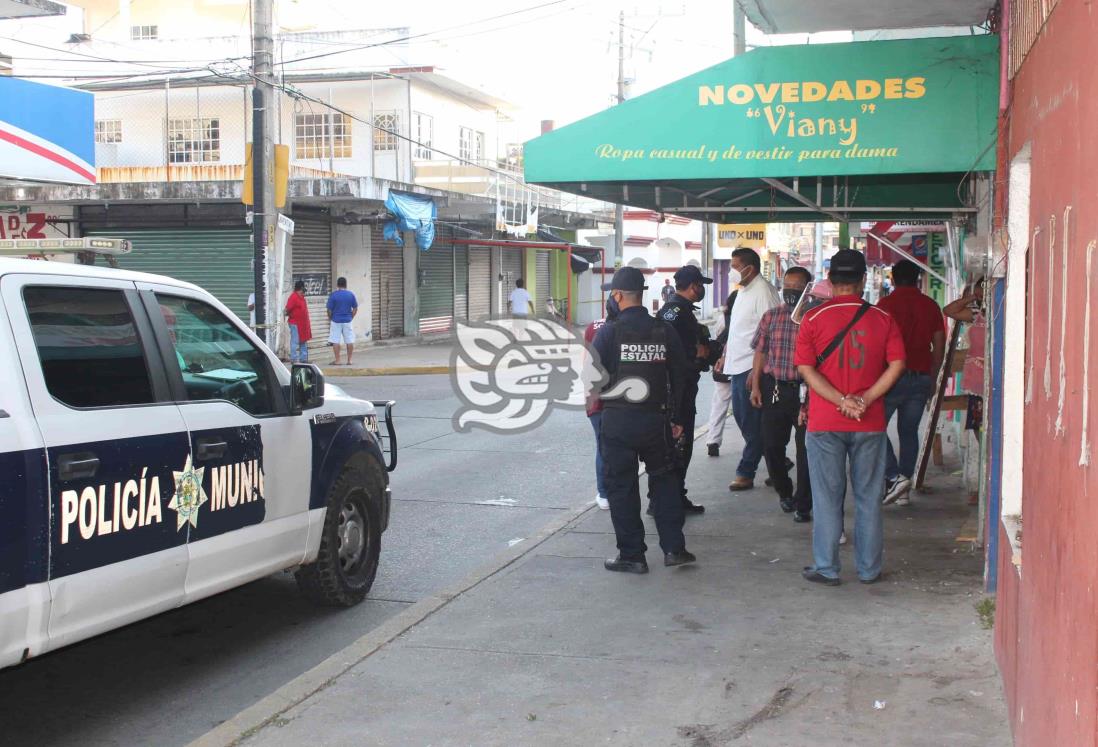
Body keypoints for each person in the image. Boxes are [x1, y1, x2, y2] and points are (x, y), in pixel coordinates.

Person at [794, 249, 906, 586]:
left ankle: (827, 567)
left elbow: (806, 369)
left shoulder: (812, 319)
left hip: (825, 422)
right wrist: (865, 399)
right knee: (869, 497)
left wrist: (841, 401)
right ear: (862, 281)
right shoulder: (883, 319)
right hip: (870, 422)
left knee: (827, 497)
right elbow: (897, 364)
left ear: (830, 281)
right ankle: (869, 569)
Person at [592, 266, 695, 573]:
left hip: (618, 422)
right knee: (664, 483)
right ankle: (674, 549)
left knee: (622, 488)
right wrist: (677, 417)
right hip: (657, 421)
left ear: (618, 295)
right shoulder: (664, 330)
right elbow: (680, 375)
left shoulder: (608, 333)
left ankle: (632, 555)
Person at [876, 260, 946, 505]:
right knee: (908, 432)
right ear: (918, 279)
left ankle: (894, 476)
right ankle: (902, 487)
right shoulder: (930, 305)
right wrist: (934, 377)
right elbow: (939, 346)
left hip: (889, 378)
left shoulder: (885, 305)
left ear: (893, 279)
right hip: (920, 376)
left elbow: (875, 345)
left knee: (874, 429)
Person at [750, 266, 814, 522]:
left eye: (798, 286)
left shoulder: (814, 317)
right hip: (774, 389)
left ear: (807, 290)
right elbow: (760, 353)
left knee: (805, 450)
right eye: (788, 284)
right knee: (772, 446)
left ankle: (803, 504)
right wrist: (755, 385)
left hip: (806, 392)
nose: (791, 290)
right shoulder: (771, 316)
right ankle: (784, 492)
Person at [658, 265, 716, 514]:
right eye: (700, 285)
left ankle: (663, 497)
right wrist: (701, 352)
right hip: (679, 390)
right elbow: (677, 352)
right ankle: (672, 499)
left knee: (672, 446)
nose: (701, 289)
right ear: (693, 286)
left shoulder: (671, 310)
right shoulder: (678, 312)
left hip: (675, 387)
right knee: (679, 446)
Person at [721, 248, 781, 491]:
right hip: (736, 364)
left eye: (735, 266)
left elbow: (772, 334)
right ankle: (777, 461)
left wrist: (758, 373)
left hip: (750, 367)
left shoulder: (764, 292)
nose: (731, 272)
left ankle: (746, 471)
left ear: (750, 268)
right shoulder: (743, 291)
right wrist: (725, 354)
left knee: (752, 423)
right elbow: (739, 329)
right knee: (744, 420)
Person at [584, 302, 618, 511]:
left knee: (602, 446)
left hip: (594, 399)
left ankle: (605, 492)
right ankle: (608, 491)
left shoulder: (592, 327)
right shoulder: (624, 330)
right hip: (617, 399)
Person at [705, 289, 738, 457]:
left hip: (722, 367)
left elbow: (719, 337)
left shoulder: (723, 319)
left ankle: (713, 440)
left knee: (719, 403)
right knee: (745, 409)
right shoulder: (747, 320)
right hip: (743, 366)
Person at [326, 277, 359, 366]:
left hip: (336, 320)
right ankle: (349, 360)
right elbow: (355, 308)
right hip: (347, 320)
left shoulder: (333, 295)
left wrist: (331, 318)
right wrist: (351, 317)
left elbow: (329, 310)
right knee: (349, 340)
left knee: (335, 340)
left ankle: (338, 360)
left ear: (337, 285)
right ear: (346, 284)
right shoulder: (350, 295)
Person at [284, 280, 312, 363]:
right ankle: (294, 359)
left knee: (303, 341)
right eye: (303, 289)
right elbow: (287, 310)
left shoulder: (302, 297)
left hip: (303, 324)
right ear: (300, 288)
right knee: (295, 341)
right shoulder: (293, 297)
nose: (304, 291)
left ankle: (303, 359)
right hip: (295, 323)